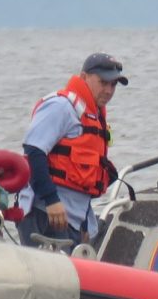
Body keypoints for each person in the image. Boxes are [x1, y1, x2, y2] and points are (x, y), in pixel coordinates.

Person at [17, 53, 127, 248]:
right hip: (46, 215)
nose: (109, 90)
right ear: (84, 77)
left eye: (113, 85)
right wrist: (51, 200)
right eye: (103, 82)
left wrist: (84, 223)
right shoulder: (61, 107)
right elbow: (33, 153)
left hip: (73, 221)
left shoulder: (93, 115)